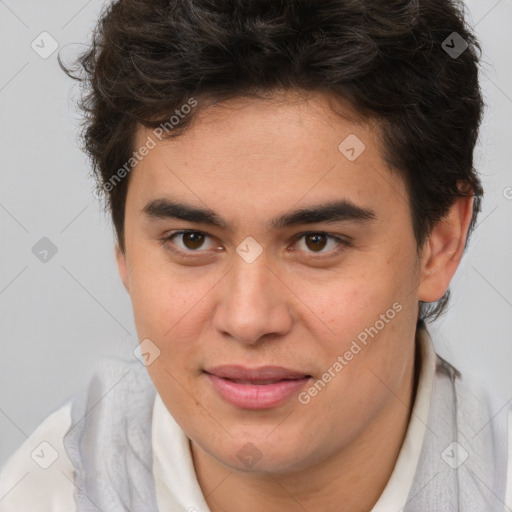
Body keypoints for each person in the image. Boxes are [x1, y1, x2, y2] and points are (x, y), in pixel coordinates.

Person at [0, 0, 510, 510]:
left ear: (440, 245)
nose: (248, 320)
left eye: (317, 241)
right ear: (124, 251)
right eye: (191, 240)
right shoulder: (42, 492)